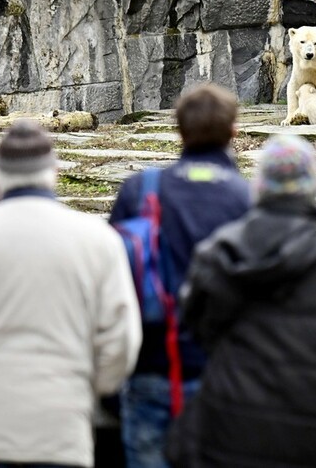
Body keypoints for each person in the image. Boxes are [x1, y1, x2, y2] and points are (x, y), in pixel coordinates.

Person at [167, 134, 316, 467]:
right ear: (313, 188)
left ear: (259, 187)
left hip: (232, 432)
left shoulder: (218, 253)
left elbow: (195, 327)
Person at [110, 83, 251, 468]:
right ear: (233, 131)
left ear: (179, 130)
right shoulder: (246, 198)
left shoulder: (140, 190)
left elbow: (110, 276)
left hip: (152, 365)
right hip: (224, 373)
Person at [0, 120, 142, 467]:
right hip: (62, 425)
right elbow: (121, 340)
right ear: (55, 172)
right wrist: (90, 388)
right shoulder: (98, 239)